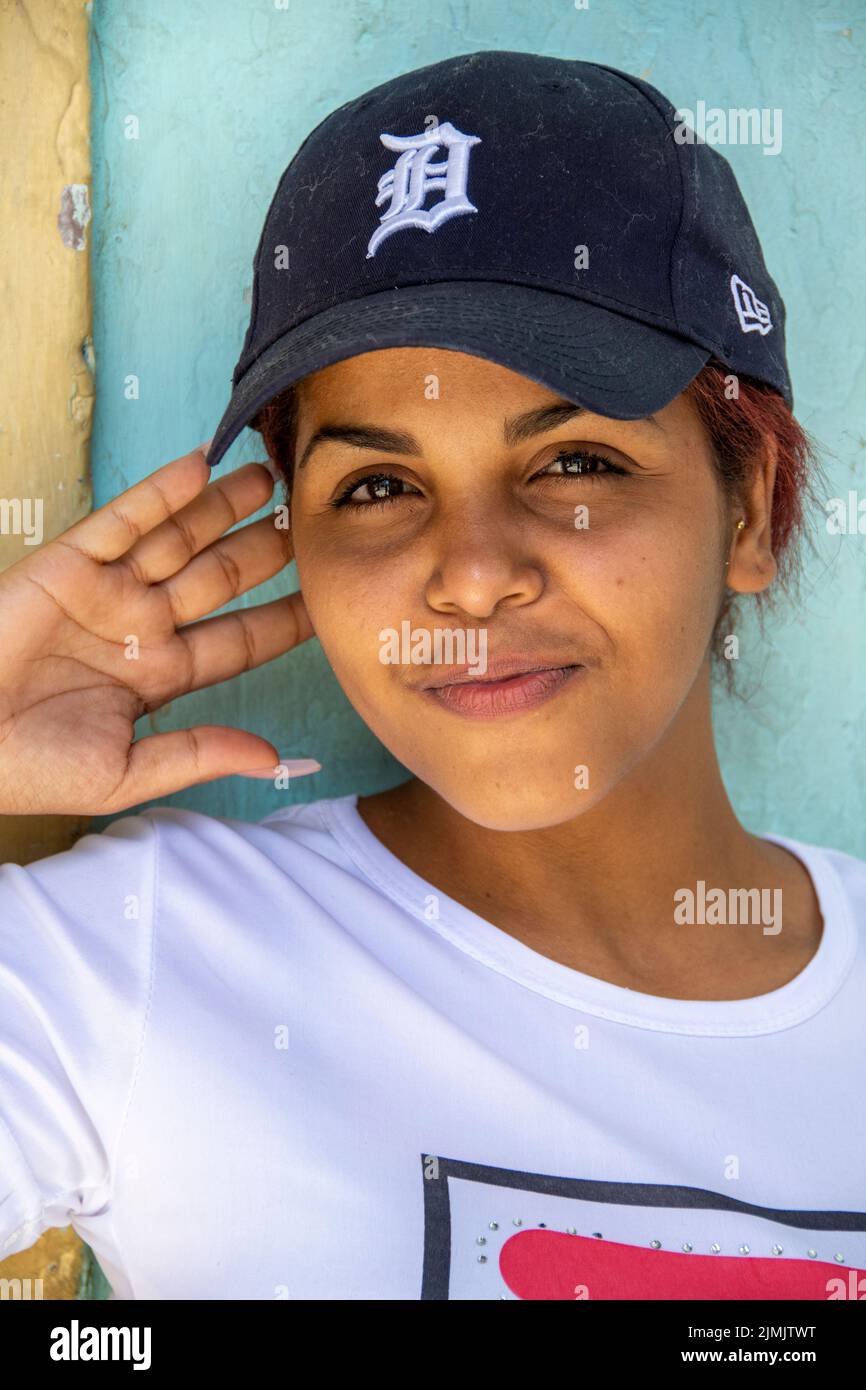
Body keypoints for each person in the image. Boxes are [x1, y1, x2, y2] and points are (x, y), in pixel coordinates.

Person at [1, 51, 864, 1303]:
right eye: (379, 486)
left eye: (573, 464)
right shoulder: (127, 964)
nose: (469, 577)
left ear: (752, 510)